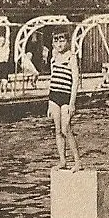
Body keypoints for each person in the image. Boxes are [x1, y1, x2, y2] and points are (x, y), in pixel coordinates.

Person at [48, 32, 80, 170]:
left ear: (67, 41)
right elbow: (52, 78)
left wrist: (72, 103)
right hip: (54, 96)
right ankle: (63, 161)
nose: (59, 44)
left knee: (66, 128)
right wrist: (49, 104)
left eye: (62, 41)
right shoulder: (53, 57)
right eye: (56, 41)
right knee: (57, 131)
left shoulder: (71, 57)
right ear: (53, 43)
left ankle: (78, 162)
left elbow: (75, 80)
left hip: (66, 96)